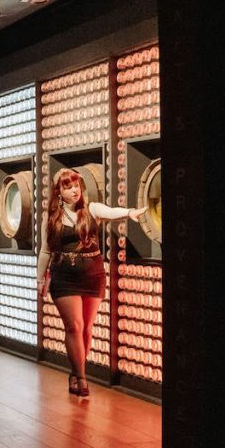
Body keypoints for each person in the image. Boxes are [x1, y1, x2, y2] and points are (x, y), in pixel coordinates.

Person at [36, 168, 146, 397]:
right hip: (64, 275)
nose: (74, 190)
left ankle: (75, 372)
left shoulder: (91, 209)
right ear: (59, 191)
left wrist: (130, 212)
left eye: (76, 185)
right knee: (74, 326)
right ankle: (82, 378)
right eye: (68, 187)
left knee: (86, 328)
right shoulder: (52, 216)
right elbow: (45, 251)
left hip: (93, 275)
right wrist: (39, 279)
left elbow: (112, 211)